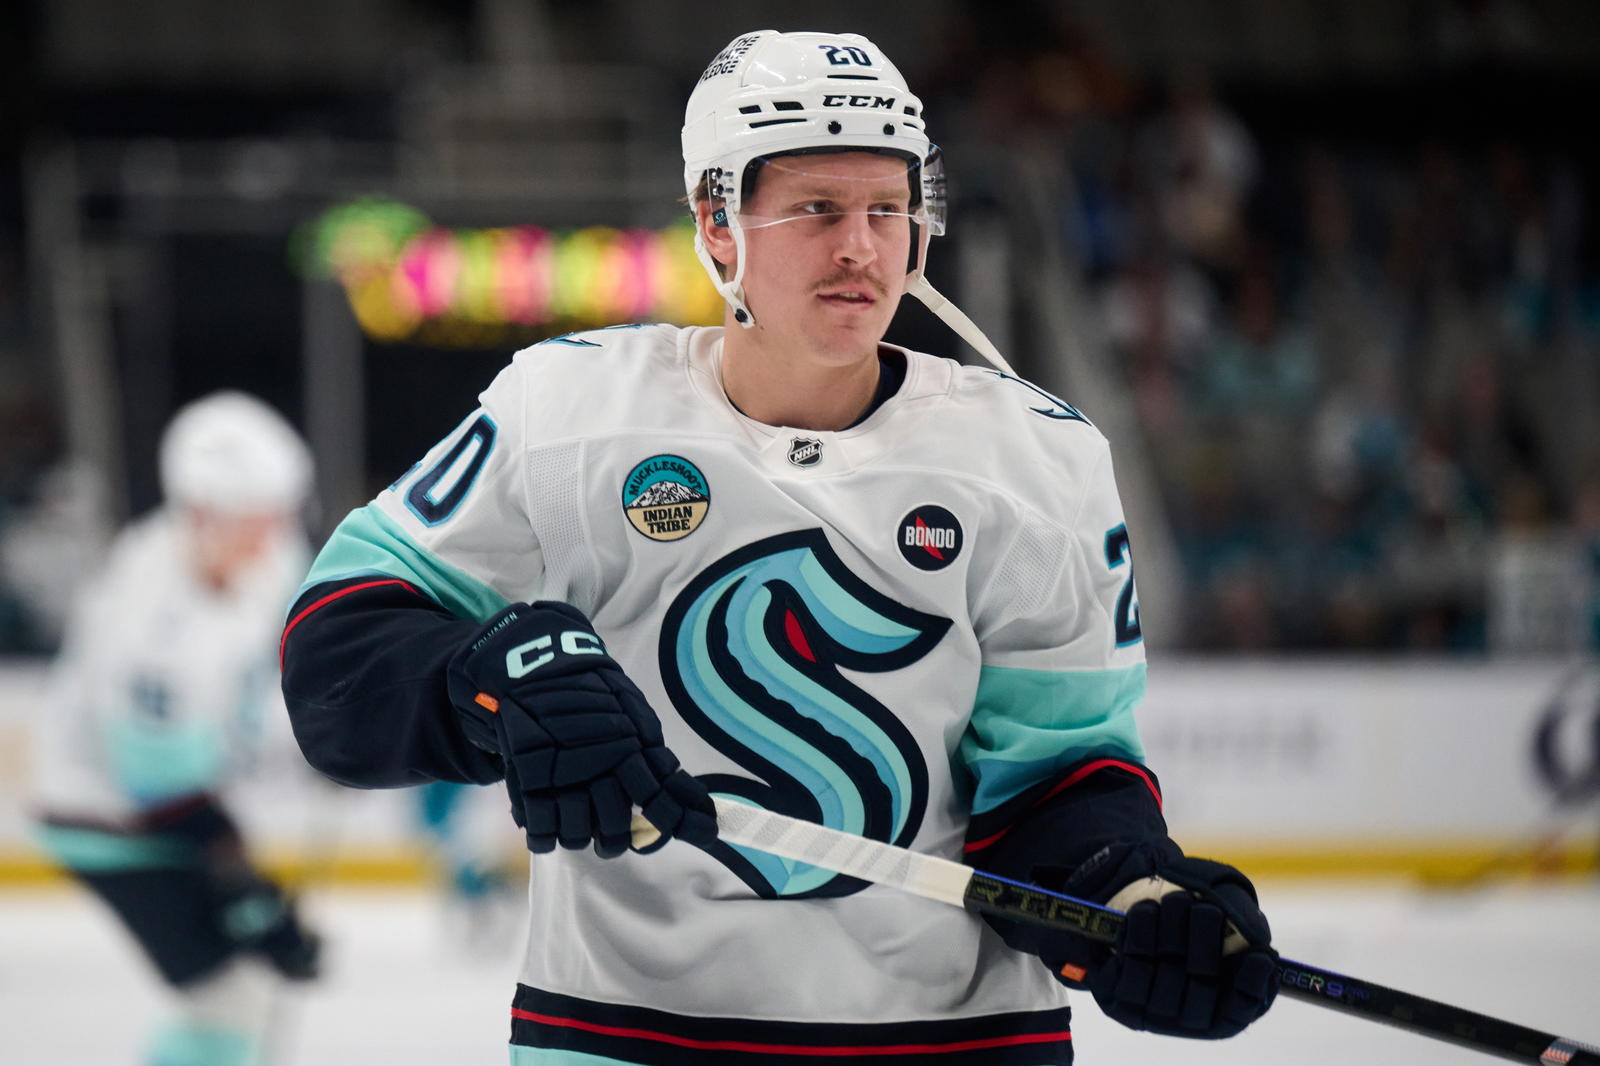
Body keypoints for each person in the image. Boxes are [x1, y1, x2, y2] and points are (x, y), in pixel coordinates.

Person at [280, 29, 1278, 1064]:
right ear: (717, 223)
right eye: (816, 209)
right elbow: (337, 655)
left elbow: (1057, 785)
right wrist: (486, 682)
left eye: (887, 208)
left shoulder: (1035, 461)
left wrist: (1133, 896)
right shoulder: (565, 411)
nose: (861, 246)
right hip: (626, 1039)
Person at [33, 390, 322, 1066]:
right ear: (199, 514)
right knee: (232, 996)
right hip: (104, 822)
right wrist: (251, 891)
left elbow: (303, 623)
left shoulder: (259, 554)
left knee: (240, 996)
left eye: (280, 515)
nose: (274, 535)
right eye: (256, 519)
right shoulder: (145, 619)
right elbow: (158, 787)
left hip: (164, 807)